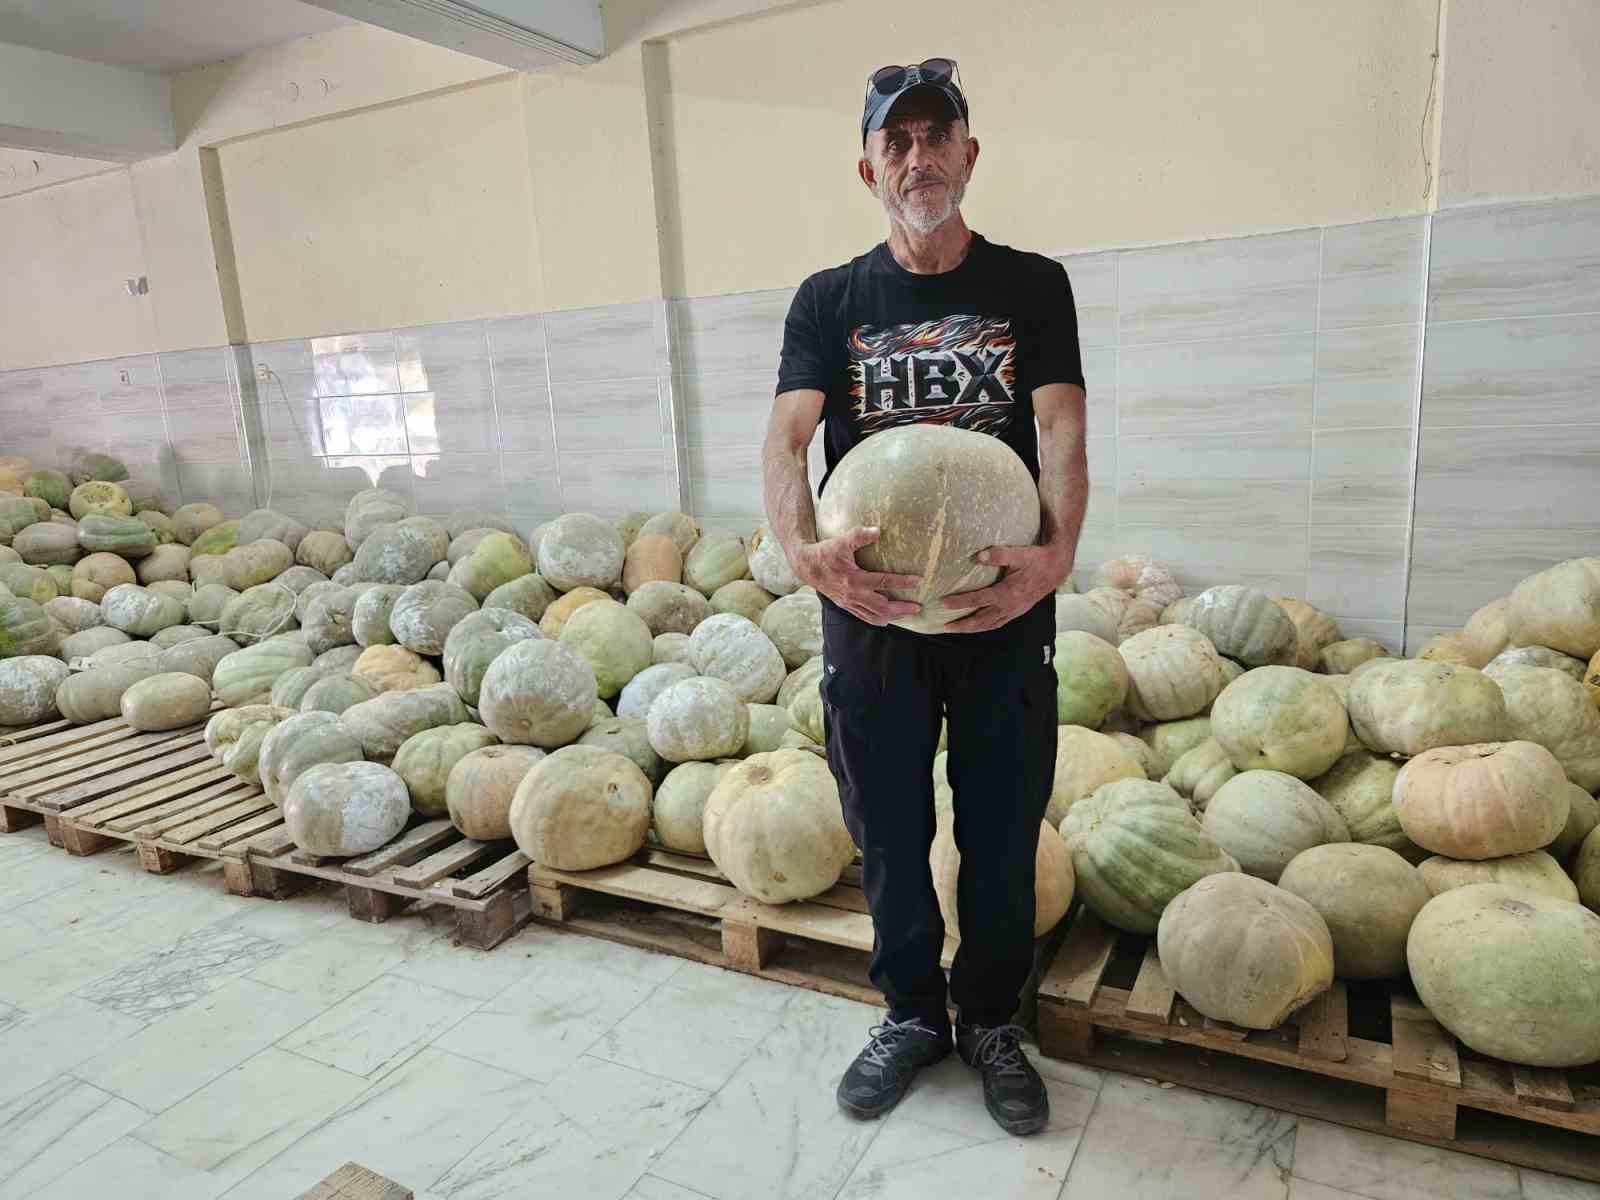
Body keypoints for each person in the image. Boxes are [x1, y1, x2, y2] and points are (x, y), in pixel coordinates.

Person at [760, 58, 1089, 1137]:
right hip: (874, 616)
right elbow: (788, 436)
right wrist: (801, 549)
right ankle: (908, 1012)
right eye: (896, 144)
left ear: (968, 153)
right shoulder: (830, 299)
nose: (918, 158)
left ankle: (992, 1019)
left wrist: (1056, 555)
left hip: (1000, 613)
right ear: (870, 169)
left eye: (935, 135)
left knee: (998, 824)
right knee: (890, 827)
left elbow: (1061, 427)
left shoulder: (1031, 284)